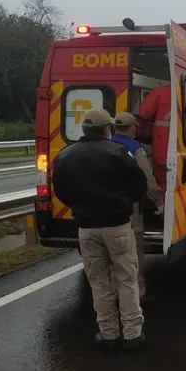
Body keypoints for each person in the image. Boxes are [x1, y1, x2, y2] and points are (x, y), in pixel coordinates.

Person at [52, 108, 149, 351]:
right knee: (126, 279)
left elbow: (61, 192)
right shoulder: (119, 153)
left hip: (86, 228)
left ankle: (108, 334)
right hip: (117, 225)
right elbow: (139, 186)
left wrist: (82, 206)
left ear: (84, 130)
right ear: (107, 129)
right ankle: (132, 334)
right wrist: (123, 202)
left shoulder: (66, 156)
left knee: (99, 282)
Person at [112, 111, 164, 302]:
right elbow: (147, 179)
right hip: (130, 208)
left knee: (113, 252)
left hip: (109, 208)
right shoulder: (135, 149)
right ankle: (138, 293)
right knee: (133, 250)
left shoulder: (107, 146)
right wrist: (159, 202)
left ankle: (114, 292)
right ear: (133, 128)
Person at [138, 84, 171, 194]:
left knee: (163, 183)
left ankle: (164, 207)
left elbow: (143, 112)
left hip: (162, 149)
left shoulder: (161, 92)